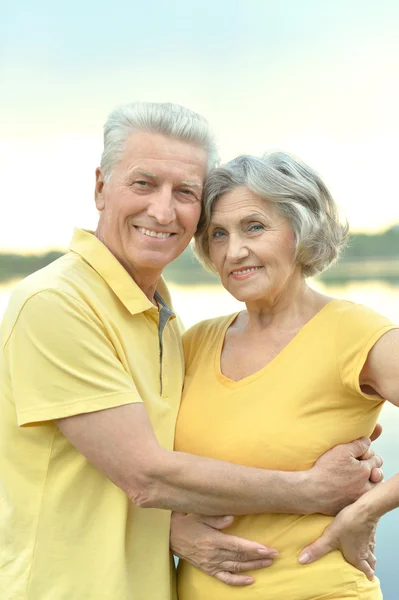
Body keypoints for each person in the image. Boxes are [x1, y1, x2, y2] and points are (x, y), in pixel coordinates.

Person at [0, 104, 384, 600]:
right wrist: (313, 491)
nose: (163, 211)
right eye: (143, 183)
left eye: (184, 193)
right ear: (100, 187)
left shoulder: (161, 315)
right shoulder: (57, 303)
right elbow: (145, 475)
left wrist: (362, 502)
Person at [172, 151, 398, 600]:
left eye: (254, 227)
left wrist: (368, 510)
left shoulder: (354, 332)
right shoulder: (193, 343)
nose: (234, 251)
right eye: (218, 234)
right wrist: (170, 528)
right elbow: (142, 470)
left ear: (301, 230)